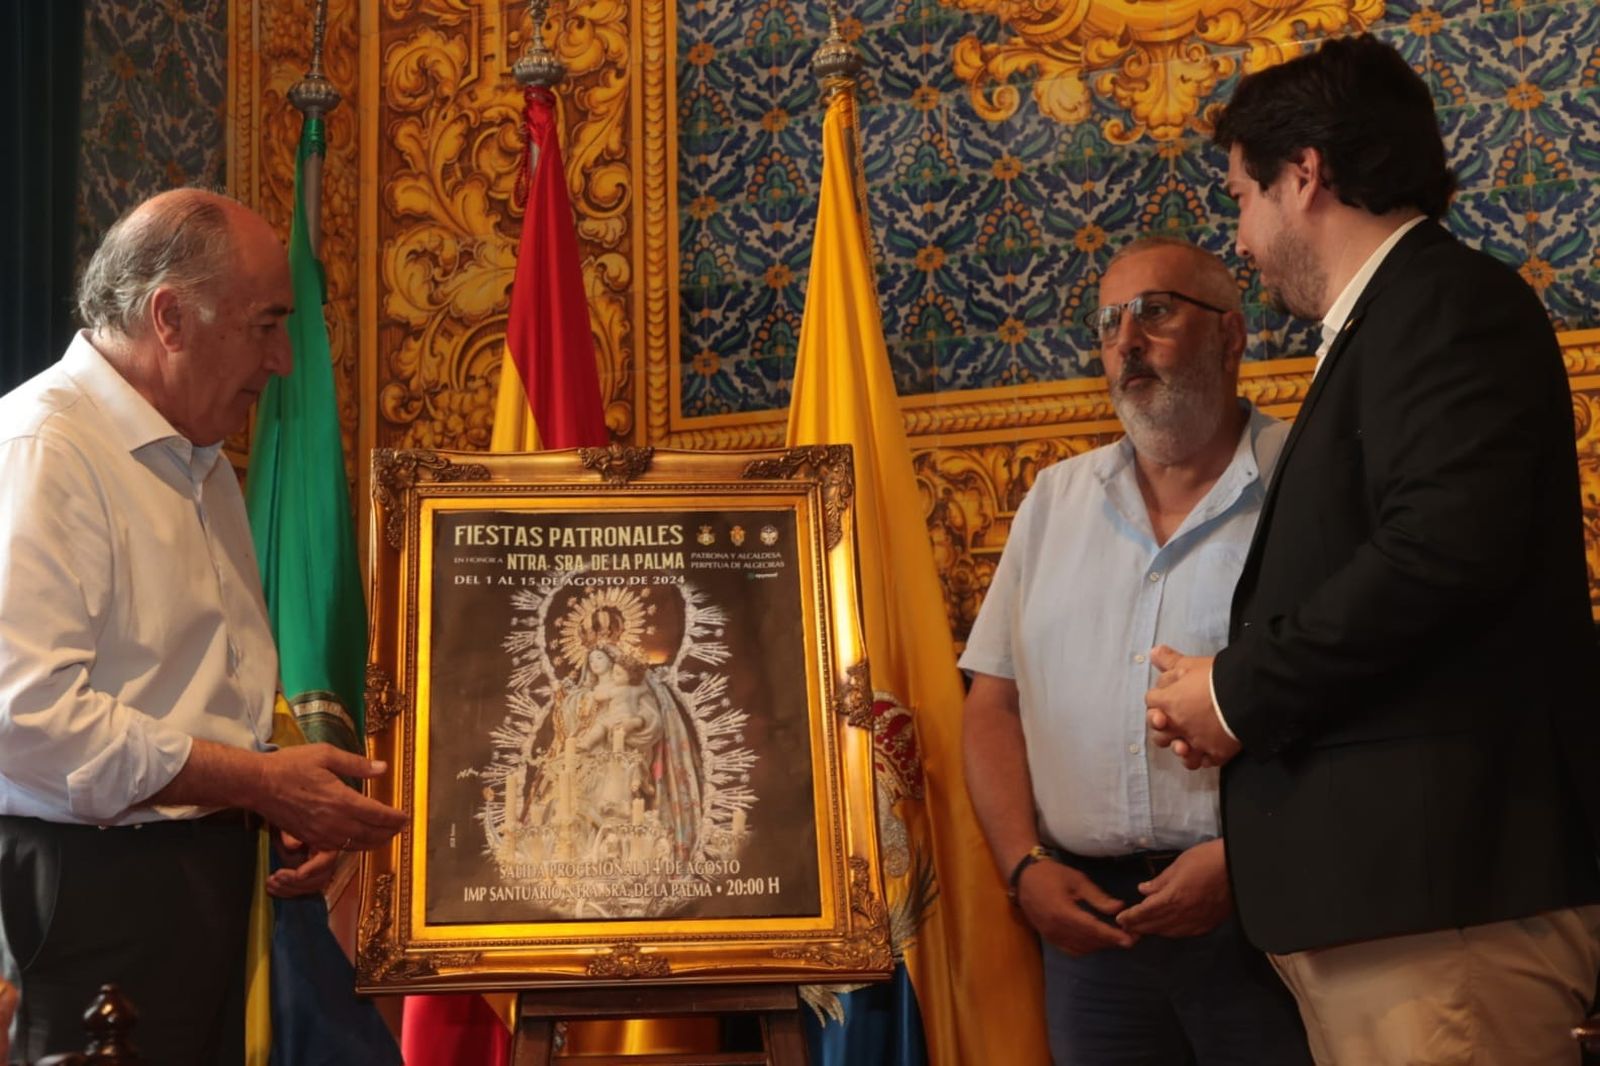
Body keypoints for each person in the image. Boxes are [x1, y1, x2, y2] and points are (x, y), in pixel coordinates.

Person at [1143, 35, 1600, 1066]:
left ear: (1304, 173)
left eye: (1244, 197)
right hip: (1392, 906)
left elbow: (1437, 556)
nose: (1244, 239)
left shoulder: (1446, 307)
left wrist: (1230, 694)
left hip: (1444, 903)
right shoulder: (1387, 326)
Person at [0, 189, 408, 1065]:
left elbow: (207, 690)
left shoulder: (203, 460)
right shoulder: (44, 448)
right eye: (266, 325)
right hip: (92, 897)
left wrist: (280, 804)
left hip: (201, 880)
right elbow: (25, 718)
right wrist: (257, 782)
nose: (285, 360)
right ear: (171, 317)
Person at [961, 236, 1310, 1063]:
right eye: (1109, 322)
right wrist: (1022, 867)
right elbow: (993, 703)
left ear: (1230, 335)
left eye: (1155, 312)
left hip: (1264, 913)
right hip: (1091, 937)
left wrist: (1246, 859)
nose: (1126, 342)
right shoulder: (1055, 499)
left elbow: (1354, 694)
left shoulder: (1305, 480)